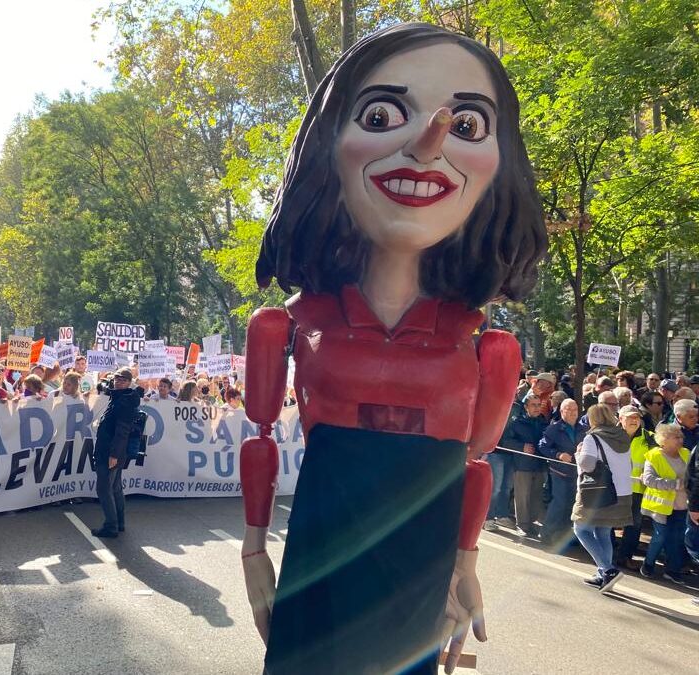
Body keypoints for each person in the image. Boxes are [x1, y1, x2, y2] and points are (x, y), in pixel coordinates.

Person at [239, 23, 547, 675]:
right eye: (383, 114)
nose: (429, 140)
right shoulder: (288, 324)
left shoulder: (487, 346)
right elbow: (260, 434)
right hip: (319, 557)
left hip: (420, 564)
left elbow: (474, 462)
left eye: (466, 125)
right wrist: (253, 549)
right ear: (331, 143)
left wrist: (465, 560)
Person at [572, 404, 633, 592]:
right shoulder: (623, 436)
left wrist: (579, 453)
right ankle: (603, 574)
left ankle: (608, 569)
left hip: (599, 492)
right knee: (603, 531)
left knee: (580, 529)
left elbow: (587, 465)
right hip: (621, 491)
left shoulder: (592, 437)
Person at [91, 367, 142, 538]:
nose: (118, 381)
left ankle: (111, 525)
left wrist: (114, 455)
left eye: (123, 380)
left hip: (111, 452)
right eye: (117, 379)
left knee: (104, 489)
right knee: (115, 488)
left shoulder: (125, 401)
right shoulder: (120, 398)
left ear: (129, 383)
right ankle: (119, 522)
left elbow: (122, 431)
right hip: (113, 451)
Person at [640, 423, 690, 584]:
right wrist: (675, 484)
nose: (681, 440)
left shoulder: (686, 453)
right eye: (676, 437)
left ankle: (672, 570)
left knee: (677, 538)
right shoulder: (653, 456)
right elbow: (648, 480)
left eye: (681, 436)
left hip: (681, 504)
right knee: (659, 537)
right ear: (664, 439)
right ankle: (648, 564)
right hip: (661, 506)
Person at [614, 406, 658, 569]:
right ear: (620, 419)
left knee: (634, 525)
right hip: (614, 487)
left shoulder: (649, 438)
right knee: (609, 521)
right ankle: (609, 553)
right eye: (630, 417)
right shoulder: (611, 434)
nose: (634, 421)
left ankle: (625, 556)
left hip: (637, 490)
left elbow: (657, 459)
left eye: (637, 418)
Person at [539, 399, 585, 549]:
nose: (572, 413)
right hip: (559, 472)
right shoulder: (554, 428)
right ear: (562, 411)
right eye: (569, 410)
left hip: (577, 473)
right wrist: (558, 454)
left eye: (575, 410)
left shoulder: (583, 428)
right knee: (559, 503)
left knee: (571, 505)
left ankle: (563, 536)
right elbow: (543, 447)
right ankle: (546, 534)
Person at [506, 394, 548, 537]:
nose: (537, 408)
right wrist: (521, 447)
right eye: (533, 405)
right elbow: (506, 442)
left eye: (538, 405)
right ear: (526, 407)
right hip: (523, 465)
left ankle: (531, 523)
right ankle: (522, 525)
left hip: (540, 465)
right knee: (522, 496)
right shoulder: (517, 423)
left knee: (536, 496)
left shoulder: (544, 423)